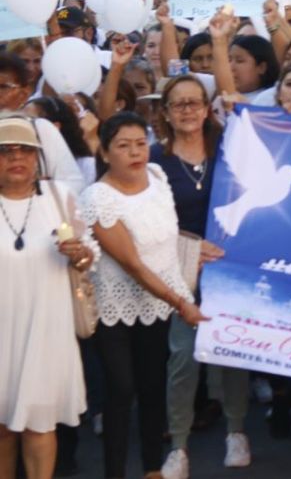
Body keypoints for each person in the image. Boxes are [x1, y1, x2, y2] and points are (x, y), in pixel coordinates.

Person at [82, 112, 206, 479]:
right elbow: (133, 264)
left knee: (153, 387)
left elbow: (166, 237)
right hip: (113, 308)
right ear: (105, 153)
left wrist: (198, 248)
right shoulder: (97, 198)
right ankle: (114, 472)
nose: (135, 153)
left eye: (140, 143)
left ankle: (153, 467)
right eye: (123, 146)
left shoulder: (157, 176)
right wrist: (182, 302)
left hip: (158, 304)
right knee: (121, 391)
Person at [149, 76, 249, 479]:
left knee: (234, 354)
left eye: (195, 103)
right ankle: (178, 445)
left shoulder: (229, 151)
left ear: (208, 109)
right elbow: (149, 223)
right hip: (180, 271)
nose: (188, 110)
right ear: (166, 113)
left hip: (231, 268)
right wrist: (191, 245)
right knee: (182, 359)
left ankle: (237, 431)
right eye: (178, 104)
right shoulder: (156, 162)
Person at [0, 116, 93, 479]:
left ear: (39, 158)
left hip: (46, 328)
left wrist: (81, 254)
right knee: (2, 428)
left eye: (25, 150)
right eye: (6, 152)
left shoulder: (59, 198)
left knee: (41, 425)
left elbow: (89, 256)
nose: (16, 158)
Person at [0, 54, 84, 194]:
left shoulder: (41, 129)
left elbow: (74, 183)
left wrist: (42, 188)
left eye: (2, 87)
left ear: (24, 93)